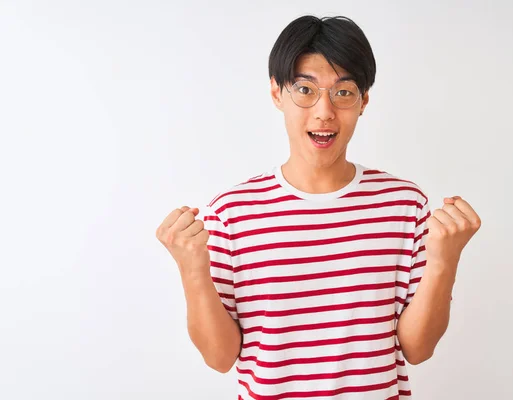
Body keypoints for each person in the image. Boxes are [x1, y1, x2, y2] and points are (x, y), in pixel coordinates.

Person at [156, 15, 481, 400]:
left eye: (344, 92)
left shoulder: (404, 206)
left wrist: (445, 262)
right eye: (305, 90)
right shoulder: (231, 213)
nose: (324, 111)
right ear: (277, 94)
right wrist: (191, 270)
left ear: (364, 101)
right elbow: (220, 357)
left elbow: (418, 349)